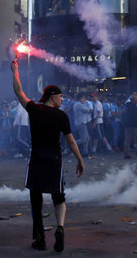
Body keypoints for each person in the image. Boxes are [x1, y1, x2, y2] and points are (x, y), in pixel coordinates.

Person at [11, 60, 84, 252]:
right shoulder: (62, 116)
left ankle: (40, 239)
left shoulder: (34, 110)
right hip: (54, 161)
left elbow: (19, 92)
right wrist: (80, 160)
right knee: (58, 197)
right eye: (60, 97)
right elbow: (71, 141)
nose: (62, 100)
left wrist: (15, 71)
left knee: (36, 201)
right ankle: (60, 227)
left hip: (36, 160)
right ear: (52, 97)